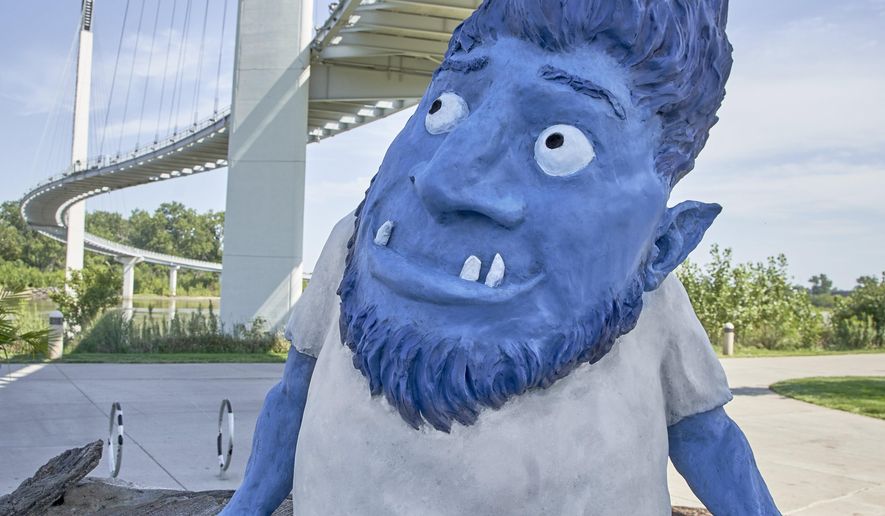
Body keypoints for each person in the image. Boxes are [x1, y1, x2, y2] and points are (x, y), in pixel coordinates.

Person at [223, 0, 779, 514]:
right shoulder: (353, 243)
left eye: (559, 142)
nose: (443, 178)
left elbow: (706, 436)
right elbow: (293, 394)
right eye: (443, 108)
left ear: (662, 246)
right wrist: (246, 505)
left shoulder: (652, 299)